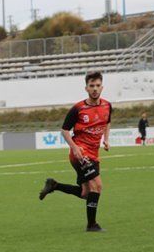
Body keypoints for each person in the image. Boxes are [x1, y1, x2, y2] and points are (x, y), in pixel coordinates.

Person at [38, 71, 111, 232]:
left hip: (94, 153)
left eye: (97, 86)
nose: (95, 89)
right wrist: (74, 147)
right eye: (91, 86)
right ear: (86, 88)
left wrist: (106, 139)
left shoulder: (107, 105)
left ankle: (54, 185)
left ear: (102, 87)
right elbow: (64, 130)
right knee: (97, 186)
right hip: (80, 152)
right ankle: (92, 225)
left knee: (86, 193)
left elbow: (107, 122)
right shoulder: (78, 109)